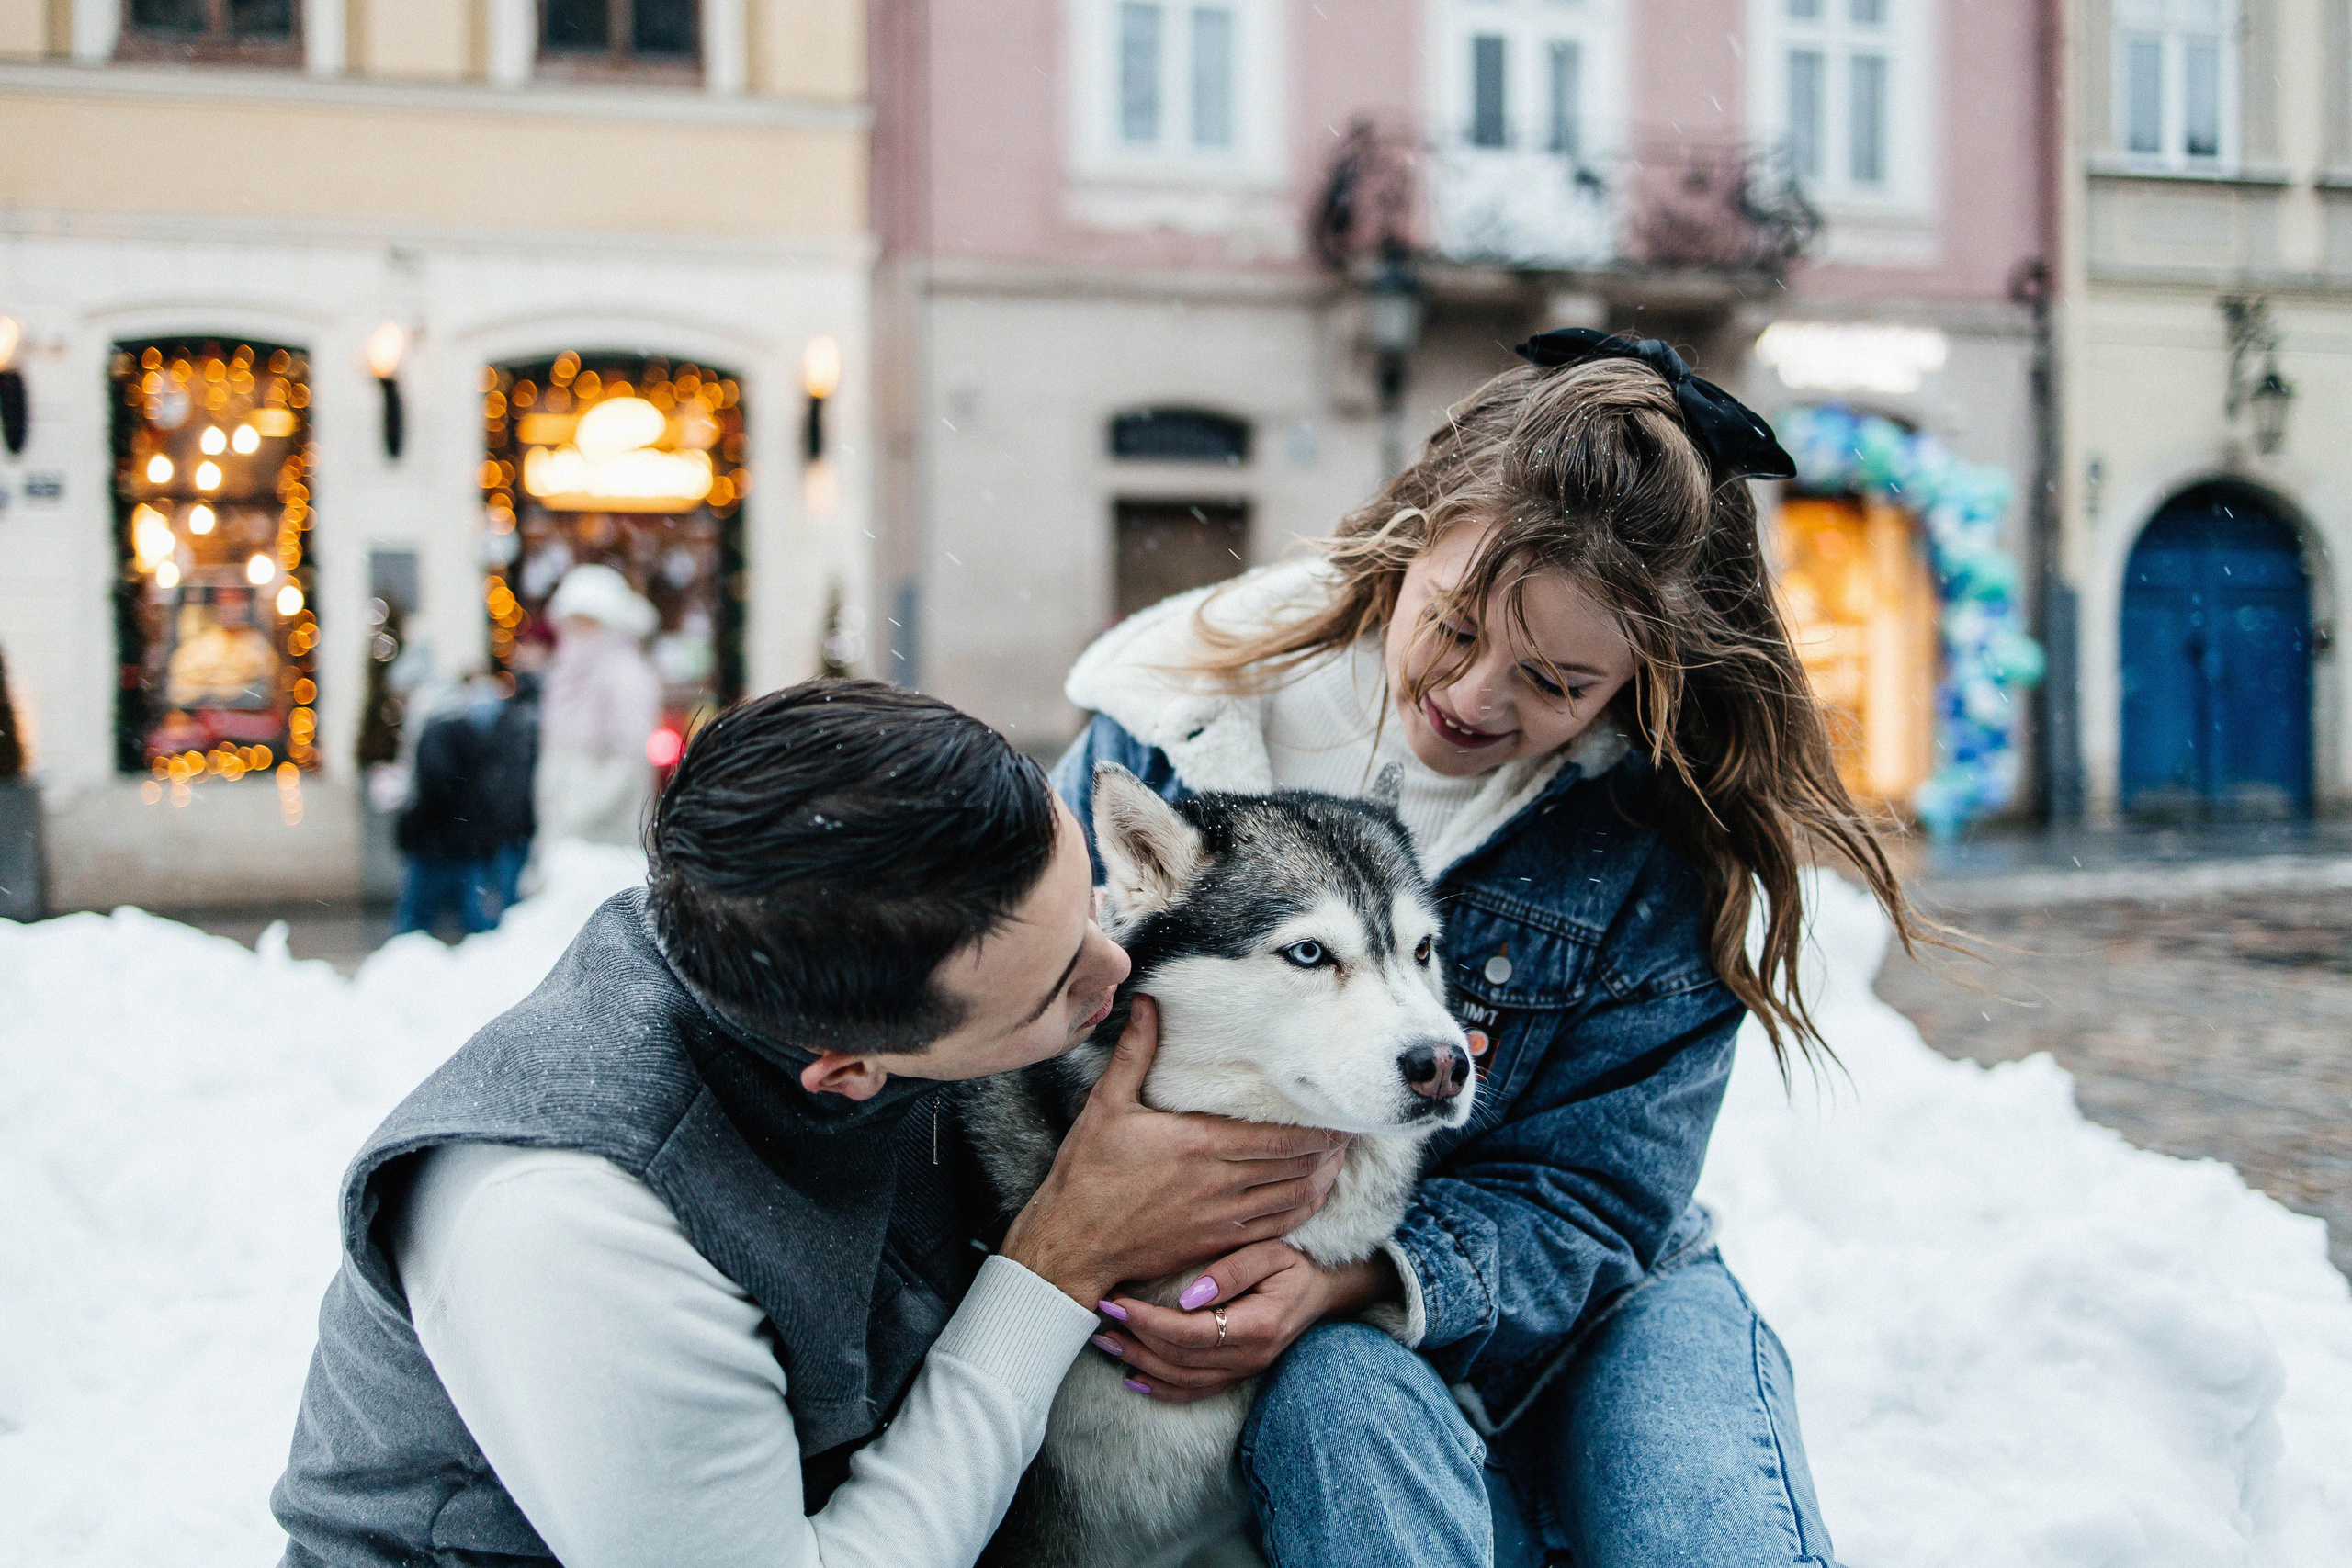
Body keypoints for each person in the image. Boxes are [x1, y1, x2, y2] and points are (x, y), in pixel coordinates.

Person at [1055, 333, 1920, 1568]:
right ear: (1411, 537)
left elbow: (1598, 1196)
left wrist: (1358, 1277)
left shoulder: (1647, 843)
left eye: (1557, 680)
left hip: (1604, 1300)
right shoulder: (1169, 728)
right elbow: (1023, 1015)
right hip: (1323, 1339)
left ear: (1639, 680)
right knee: (1344, 1409)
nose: (1474, 696)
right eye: (1454, 627)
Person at [271, 680, 1351, 1568]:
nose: (1115, 972)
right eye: (1053, 989)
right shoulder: (566, 1225)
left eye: (1090, 908)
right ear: (849, 1070)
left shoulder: (831, 933)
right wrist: (1062, 1262)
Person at [534, 562, 662, 848]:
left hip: (604, 835)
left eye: (588, 622)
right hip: (563, 831)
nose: (578, 631)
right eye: (574, 622)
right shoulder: (565, 673)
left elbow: (630, 758)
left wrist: (581, 813)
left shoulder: (626, 674)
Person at [390, 673, 507, 937]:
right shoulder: (469, 730)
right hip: (465, 841)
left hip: (437, 844)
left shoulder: (435, 733)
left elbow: (436, 785)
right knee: (475, 921)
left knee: (414, 921)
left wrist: (413, 823)